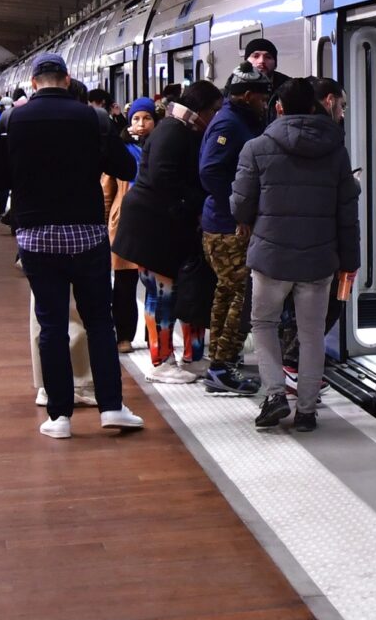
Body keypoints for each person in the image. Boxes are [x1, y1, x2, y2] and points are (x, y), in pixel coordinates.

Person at [0, 52, 144, 440]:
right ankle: (111, 407)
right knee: (100, 322)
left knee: (51, 324)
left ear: (35, 82)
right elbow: (127, 168)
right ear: (68, 80)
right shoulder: (95, 119)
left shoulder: (10, 120)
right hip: (87, 234)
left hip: (37, 236)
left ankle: (59, 417)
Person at [231, 77, 360, 431]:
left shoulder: (256, 148)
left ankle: (274, 394)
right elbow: (347, 212)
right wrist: (351, 260)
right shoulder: (336, 151)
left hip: (271, 258)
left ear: (279, 107)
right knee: (312, 333)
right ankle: (305, 410)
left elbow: (240, 206)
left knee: (264, 323)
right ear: (316, 106)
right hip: (318, 259)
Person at [114, 80, 218, 382]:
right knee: (161, 295)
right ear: (200, 110)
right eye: (213, 111)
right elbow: (163, 178)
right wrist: (197, 201)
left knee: (180, 292)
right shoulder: (172, 130)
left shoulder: (179, 128)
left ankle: (191, 355)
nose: (214, 117)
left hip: (166, 227)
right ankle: (160, 362)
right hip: (151, 228)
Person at [196, 70, 273, 396]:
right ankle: (221, 367)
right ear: (247, 94)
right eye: (262, 94)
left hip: (224, 225)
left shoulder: (238, 119)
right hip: (227, 228)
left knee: (227, 293)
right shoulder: (229, 124)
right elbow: (210, 170)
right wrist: (236, 211)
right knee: (243, 296)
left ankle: (220, 362)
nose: (265, 101)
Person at [104, 97, 153, 349]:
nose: (141, 124)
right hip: (124, 223)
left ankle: (154, 338)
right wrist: (103, 223)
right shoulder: (120, 149)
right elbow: (107, 190)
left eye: (147, 118)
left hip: (153, 223)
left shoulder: (161, 148)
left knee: (155, 284)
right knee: (124, 283)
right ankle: (124, 336)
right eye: (136, 118)